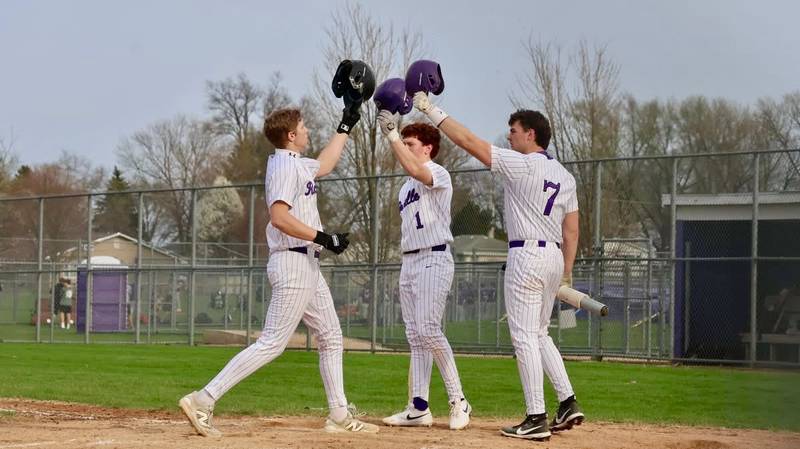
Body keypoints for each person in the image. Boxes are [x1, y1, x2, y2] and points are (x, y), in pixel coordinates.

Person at [179, 105, 378, 437]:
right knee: (272, 343)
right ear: (291, 136)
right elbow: (279, 217)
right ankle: (203, 400)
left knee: (330, 336)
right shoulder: (286, 167)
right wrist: (324, 237)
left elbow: (327, 163)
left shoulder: (295, 163)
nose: (308, 130)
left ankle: (339, 415)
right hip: (294, 261)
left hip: (306, 263)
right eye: (303, 127)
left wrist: (347, 122)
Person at [412, 91, 584, 441]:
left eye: (514, 130)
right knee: (539, 334)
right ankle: (567, 401)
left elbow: (468, 141)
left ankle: (536, 416)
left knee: (524, 337)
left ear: (531, 135)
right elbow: (572, 229)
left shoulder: (521, 164)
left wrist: (431, 109)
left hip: (526, 254)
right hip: (552, 256)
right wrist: (565, 270)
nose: (509, 135)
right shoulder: (565, 175)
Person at [375, 113, 471, 430]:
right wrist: (395, 138)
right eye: (403, 142)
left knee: (429, 330)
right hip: (411, 260)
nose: (404, 146)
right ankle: (418, 407)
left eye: (410, 143)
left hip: (434, 257)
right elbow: (410, 171)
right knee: (416, 337)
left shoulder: (436, 171)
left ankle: (459, 400)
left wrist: (391, 136)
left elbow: (415, 168)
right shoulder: (405, 188)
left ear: (427, 148)